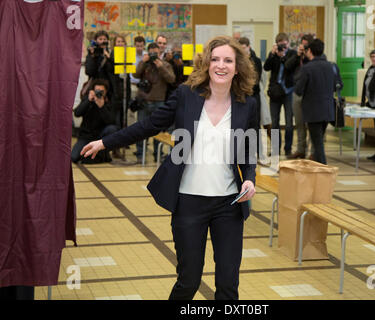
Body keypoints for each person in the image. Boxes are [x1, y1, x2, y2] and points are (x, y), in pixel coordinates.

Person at [80, 36, 258, 300]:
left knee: (229, 284)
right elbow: (149, 125)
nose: (221, 65)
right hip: (189, 202)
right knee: (189, 281)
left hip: (228, 205)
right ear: (206, 63)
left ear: (237, 66)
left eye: (228, 60)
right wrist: (106, 141)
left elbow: (248, 149)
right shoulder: (187, 96)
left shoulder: (248, 104)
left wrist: (249, 179)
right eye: (216, 59)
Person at [294, 39, 336, 165]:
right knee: (318, 142)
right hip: (328, 110)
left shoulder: (307, 68)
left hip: (313, 112)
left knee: (318, 144)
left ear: (310, 51)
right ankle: (319, 168)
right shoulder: (331, 66)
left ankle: (324, 168)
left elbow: (299, 90)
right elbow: (335, 85)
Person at [133, 42, 175, 162]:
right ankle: (140, 154)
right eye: (151, 53)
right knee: (141, 129)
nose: (153, 56)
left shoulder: (165, 64)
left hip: (159, 101)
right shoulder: (145, 64)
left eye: (155, 53)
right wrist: (143, 62)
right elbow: (135, 74)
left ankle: (158, 153)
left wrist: (160, 66)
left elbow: (171, 79)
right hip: (144, 101)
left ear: (159, 53)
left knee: (158, 130)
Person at [263, 32, 297, 156]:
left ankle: (288, 148)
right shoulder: (273, 54)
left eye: (284, 44)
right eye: (280, 44)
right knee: (275, 122)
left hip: (288, 91)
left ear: (288, 43)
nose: (283, 47)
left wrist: (282, 57)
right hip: (275, 92)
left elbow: (290, 67)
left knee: (289, 123)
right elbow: (266, 67)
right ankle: (275, 149)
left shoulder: (293, 54)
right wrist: (272, 55)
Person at [71, 79, 119, 164]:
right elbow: (77, 113)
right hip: (86, 136)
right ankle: (99, 155)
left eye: (101, 91)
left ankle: (102, 153)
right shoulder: (88, 99)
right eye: (97, 91)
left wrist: (102, 107)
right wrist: (88, 101)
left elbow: (111, 121)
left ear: (106, 92)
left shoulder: (109, 102)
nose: (99, 93)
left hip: (100, 136)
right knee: (74, 157)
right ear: (93, 90)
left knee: (112, 129)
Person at [286, 34, 314, 159]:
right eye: (302, 44)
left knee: (312, 124)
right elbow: (288, 66)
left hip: (310, 94)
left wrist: (307, 56)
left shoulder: (314, 57)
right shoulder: (296, 55)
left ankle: (313, 152)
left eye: (306, 45)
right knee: (299, 123)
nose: (303, 47)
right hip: (297, 92)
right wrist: (298, 56)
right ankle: (300, 149)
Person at [238, 37, 263, 157]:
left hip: (254, 95)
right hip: (241, 95)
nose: (242, 51)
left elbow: (256, 80)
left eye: (244, 48)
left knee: (255, 125)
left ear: (248, 47)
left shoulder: (256, 60)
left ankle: (257, 151)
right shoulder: (238, 60)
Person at [85, 30, 114, 101]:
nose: (102, 41)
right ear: (96, 41)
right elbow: (89, 71)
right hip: (95, 87)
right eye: (100, 39)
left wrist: (109, 58)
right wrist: (92, 56)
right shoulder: (92, 54)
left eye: (104, 39)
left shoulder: (111, 54)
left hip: (109, 88)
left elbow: (114, 70)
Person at [110, 35, 131, 129]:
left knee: (124, 116)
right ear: (114, 44)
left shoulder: (128, 56)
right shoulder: (111, 55)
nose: (120, 44)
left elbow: (128, 76)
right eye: (118, 42)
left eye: (122, 42)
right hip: (115, 92)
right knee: (116, 118)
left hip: (125, 91)